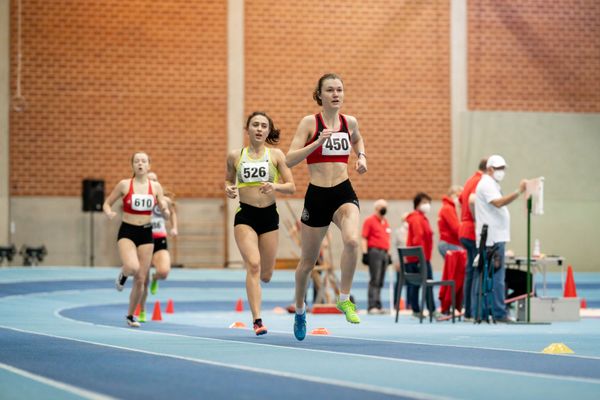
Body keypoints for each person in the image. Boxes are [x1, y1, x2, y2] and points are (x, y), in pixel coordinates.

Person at [286, 73, 367, 341]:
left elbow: (357, 138)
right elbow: (288, 160)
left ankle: (344, 298)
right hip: (317, 196)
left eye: (339, 90)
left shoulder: (349, 121)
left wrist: (361, 156)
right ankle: (300, 310)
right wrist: (317, 142)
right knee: (307, 264)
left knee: (353, 241)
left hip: (343, 192)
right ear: (320, 95)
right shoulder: (310, 123)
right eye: (330, 90)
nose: (335, 94)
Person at [225, 111, 295, 336]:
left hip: (268, 216)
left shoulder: (275, 155)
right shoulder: (235, 156)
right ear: (248, 129)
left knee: (266, 274)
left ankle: (261, 285)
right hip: (245, 216)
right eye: (255, 124)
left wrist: (274, 186)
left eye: (263, 125)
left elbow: (291, 186)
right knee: (253, 265)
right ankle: (257, 320)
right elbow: (228, 179)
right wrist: (228, 187)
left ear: (268, 130)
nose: (259, 129)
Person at [103, 152, 170, 328]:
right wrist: (109, 212)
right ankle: (123, 275)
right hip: (128, 230)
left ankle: (131, 315)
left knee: (141, 278)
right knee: (132, 267)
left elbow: (166, 214)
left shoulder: (155, 187)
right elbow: (107, 203)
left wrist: (164, 209)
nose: (140, 164)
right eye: (136, 161)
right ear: (132, 165)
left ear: (149, 165)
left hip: (147, 233)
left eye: (144, 161)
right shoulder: (125, 185)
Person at [473, 154, 527, 322]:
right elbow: (498, 203)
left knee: (487, 276)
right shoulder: (486, 184)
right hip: (492, 238)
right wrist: (518, 192)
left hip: (494, 236)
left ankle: (483, 312)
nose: (502, 172)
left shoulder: (491, 184)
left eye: (503, 169)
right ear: (490, 169)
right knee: (496, 277)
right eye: (499, 169)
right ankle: (498, 312)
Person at [137, 171, 178, 323]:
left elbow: (172, 212)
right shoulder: (139, 199)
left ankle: (156, 277)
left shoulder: (164, 200)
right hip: (144, 240)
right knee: (142, 281)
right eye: (150, 180)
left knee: (164, 271)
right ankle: (141, 310)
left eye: (155, 180)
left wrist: (174, 227)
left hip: (160, 240)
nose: (153, 183)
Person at [458, 158, 487, 321]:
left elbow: (461, 201)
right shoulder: (480, 181)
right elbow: (471, 201)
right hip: (471, 230)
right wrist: (477, 221)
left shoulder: (470, 180)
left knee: (470, 270)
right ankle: (475, 311)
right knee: (477, 270)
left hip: (464, 228)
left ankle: (468, 310)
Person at [405, 192, 437, 318]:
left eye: (428, 202)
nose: (427, 205)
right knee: (426, 283)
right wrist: (420, 258)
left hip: (419, 257)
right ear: (417, 204)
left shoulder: (421, 218)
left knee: (416, 284)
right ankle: (431, 310)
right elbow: (418, 239)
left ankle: (416, 310)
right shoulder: (417, 219)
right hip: (420, 257)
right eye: (424, 202)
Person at [361, 199, 391, 314]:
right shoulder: (370, 221)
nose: (384, 209)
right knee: (375, 279)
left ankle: (378, 305)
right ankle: (372, 305)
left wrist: (389, 254)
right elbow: (364, 237)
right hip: (374, 252)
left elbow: (388, 238)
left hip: (384, 253)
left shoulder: (385, 222)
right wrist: (365, 253)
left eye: (386, 206)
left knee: (381, 280)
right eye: (382, 206)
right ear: (376, 208)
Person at [437, 185, 463, 257]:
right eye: (459, 196)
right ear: (453, 195)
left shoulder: (449, 208)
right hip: (449, 243)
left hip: (449, 243)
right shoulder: (448, 208)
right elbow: (456, 228)